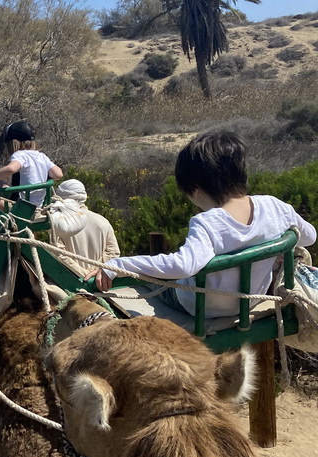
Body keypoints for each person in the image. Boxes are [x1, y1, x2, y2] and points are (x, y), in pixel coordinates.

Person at [89, 131, 317, 318]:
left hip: (201, 309)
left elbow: (184, 266)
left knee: (151, 283)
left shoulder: (207, 222)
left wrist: (117, 264)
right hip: (252, 301)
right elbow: (309, 237)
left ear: (196, 189)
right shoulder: (275, 207)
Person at [47, 179, 120, 276]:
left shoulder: (59, 224)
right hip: (97, 279)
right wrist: (94, 270)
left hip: (71, 279)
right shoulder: (103, 221)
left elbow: (59, 253)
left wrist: (83, 273)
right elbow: (113, 253)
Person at [0, 121, 63, 207]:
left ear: (12, 143)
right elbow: (58, 174)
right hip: (38, 205)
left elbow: (11, 169)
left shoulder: (20, 155)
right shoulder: (41, 156)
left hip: (21, 207)